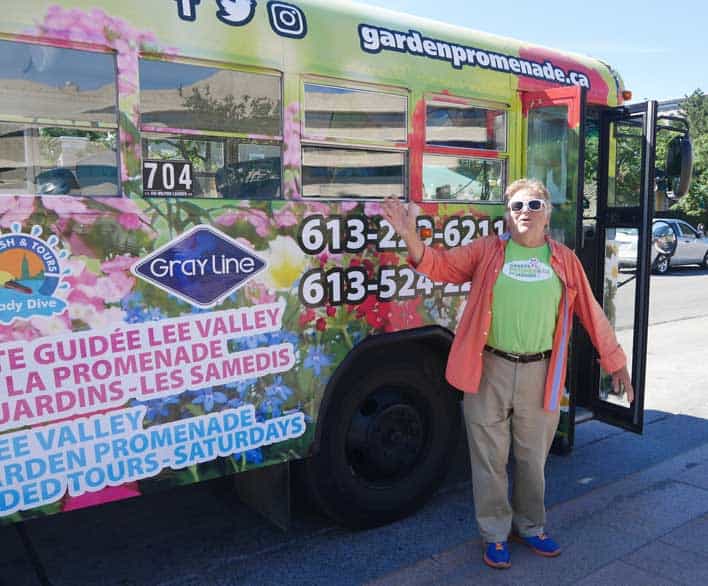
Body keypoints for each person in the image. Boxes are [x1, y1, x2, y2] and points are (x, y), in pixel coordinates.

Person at [382, 178, 633, 570]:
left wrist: (615, 361)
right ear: (507, 215)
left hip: (541, 373)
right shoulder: (488, 251)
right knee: (489, 459)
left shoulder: (564, 259)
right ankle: (495, 533)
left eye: (533, 205)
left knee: (533, 460)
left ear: (547, 213)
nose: (524, 213)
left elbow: (590, 311)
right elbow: (440, 266)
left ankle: (531, 526)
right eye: (516, 206)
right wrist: (410, 235)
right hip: (488, 369)